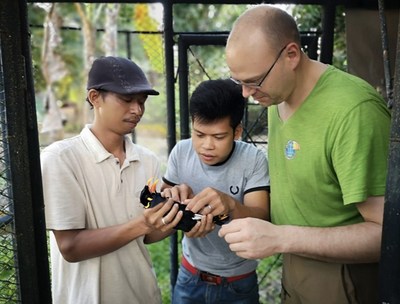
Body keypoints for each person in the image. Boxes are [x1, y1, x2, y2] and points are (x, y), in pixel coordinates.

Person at [218, 5, 391, 304]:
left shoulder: (353, 112)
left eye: (254, 80)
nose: (247, 94)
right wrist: (231, 207)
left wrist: (281, 237)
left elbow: (385, 234)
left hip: (342, 276)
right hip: (295, 262)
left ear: (292, 55)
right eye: (239, 82)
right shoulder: (276, 97)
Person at [41, 56, 182, 304]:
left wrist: (178, 217)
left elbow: (149, 236)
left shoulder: (147, 160)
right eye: (127, 99)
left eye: (142, 101)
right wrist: (143, 224)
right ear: (95, 97)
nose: (137, 110)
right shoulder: (61, 159)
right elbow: (71, 247)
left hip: (142, 295)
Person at [161, 79, 270, 304]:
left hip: (239, 281)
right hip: (190, 275)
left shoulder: (254, 159)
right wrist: (174, 204)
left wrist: (231, 205)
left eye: (218, 137)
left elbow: (262, 217)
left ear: (237, 131)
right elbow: (163, 205)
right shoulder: (181, 153)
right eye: (199, 135)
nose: (206, 146)